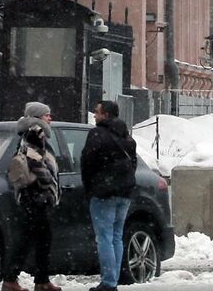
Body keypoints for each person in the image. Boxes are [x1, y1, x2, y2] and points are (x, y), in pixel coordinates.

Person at [81, 100, 139, 291]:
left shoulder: (97, 134)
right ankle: (114, 278)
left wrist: (90, 187)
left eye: (97, 112)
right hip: (124, 193)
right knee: (116, 236)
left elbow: (87, 161)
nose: (95, 115)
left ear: (105, 114)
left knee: (104, 237)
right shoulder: (126, 136)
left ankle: (108, 281)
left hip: (103, 193)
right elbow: (133, 163)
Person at [3, 119, 61, 291]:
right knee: (30, 239)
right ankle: (11, 279)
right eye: (47, 115)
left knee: (40, 238)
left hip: (32, 196)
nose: (49, 118)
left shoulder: (26, 134)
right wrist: (48, 181)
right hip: (35, 197)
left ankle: (41, 280)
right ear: (38, 117)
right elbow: (35, 159)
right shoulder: (35, 133)